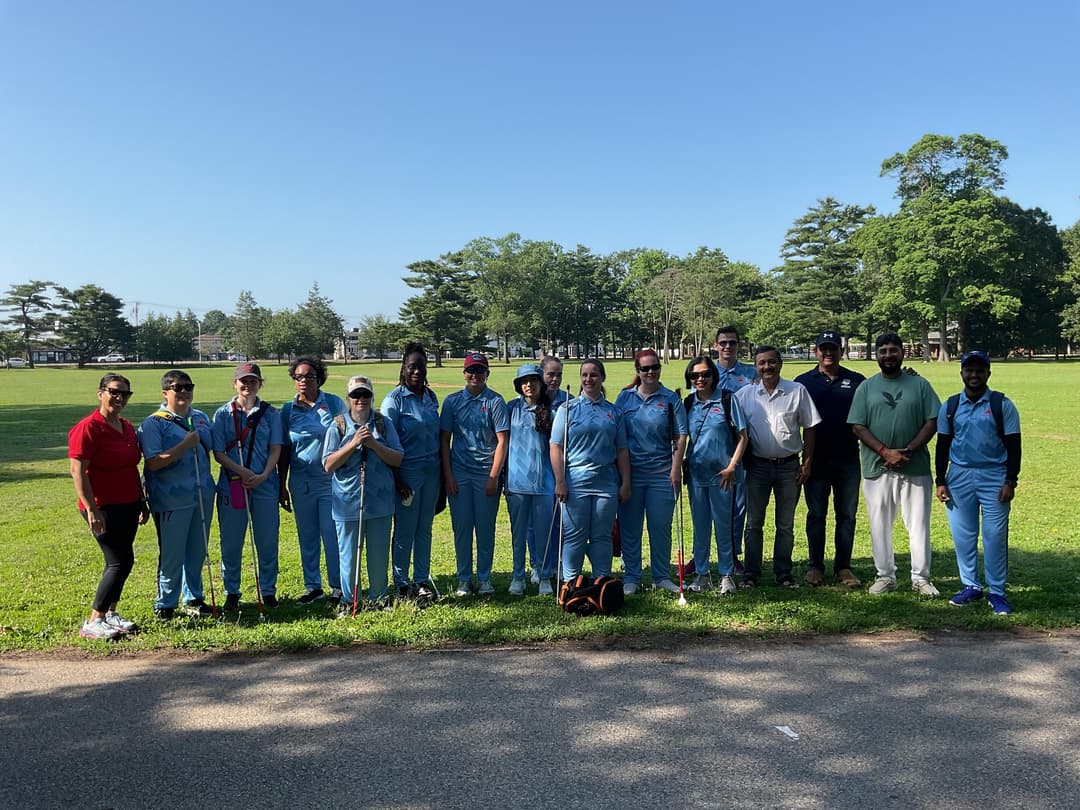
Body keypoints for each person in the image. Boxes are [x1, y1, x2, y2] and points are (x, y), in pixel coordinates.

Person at [848, 333, 942, 596]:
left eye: (893, 350)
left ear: (902, 353)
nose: (888, 355)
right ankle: (885, 576)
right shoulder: (867, 387)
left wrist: (908, 450)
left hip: (915, 467)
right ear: (876, 355)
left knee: (918, 524)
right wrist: (885, 451)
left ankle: (921, 578)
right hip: (877, 468)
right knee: (879, 524)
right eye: (883, 351)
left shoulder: (919, 384)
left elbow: (933, 420)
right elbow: (857, 425)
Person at [935, 350, 1022, 615]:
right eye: (969, 370)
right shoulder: (950, 406)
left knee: (994, 536)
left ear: (988, 373)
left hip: (994, 476)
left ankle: (997, 591)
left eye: (979, 370)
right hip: (959, 476)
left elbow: (1014, 446)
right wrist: (940, 481)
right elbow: (942, 445)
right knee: (964, 536)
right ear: (961, 372)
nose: (974, 375)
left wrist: (1010, 481)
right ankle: (971, 586)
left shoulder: (1001, 404)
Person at [68, 374, 150, 639]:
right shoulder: (89, 427)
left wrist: (141, 500)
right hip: (103, 507)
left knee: (120, 561)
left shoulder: (125, 426)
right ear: (100, 393)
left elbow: (131, 467)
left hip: (128, 503)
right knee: (120, 561)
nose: (119, 398)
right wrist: (92, 508)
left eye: (125, 394)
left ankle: (111, 614)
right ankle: (94, 620)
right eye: (114, 392)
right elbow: (77, 470)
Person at [734, 346, 820, 588]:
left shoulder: (796, 391)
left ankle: (783, 572)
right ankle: (751, 573)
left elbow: (810, 427)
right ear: (756, 367)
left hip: (789, 467)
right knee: (753, 523)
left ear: (780, 364)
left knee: (785, 524)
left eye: (771, 362)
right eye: (762, 363)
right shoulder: (745, 395)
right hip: (757, 467)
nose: (767, 367)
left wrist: (808, 462)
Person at [139, 370, 216, 619]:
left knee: (196, 552)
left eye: (188, 387)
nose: (183, 392)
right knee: (172, 554)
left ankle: (193, 596)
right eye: (177, 387)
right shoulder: (154, 423)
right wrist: (183, 446)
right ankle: (166, 603)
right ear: (165, 392)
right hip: (171, 498)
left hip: (201, 495)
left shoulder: (201, 418)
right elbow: (152, 462)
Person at [323, 374, 403, 613]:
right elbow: (328, 464)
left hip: (379, 501)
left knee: (378, 555)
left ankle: (379, 597)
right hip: (347, 502)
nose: (361, 399)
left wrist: (375, 445)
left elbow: (398, 458)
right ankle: (350, 600)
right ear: (348, 398)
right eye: (356, 395)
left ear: (372, 396)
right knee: (348, 556)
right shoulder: (337, 425)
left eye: (365, 394)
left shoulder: (383, 423)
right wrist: (352, 444)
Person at [794, 330, 866, 588]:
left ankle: (843, 567)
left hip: (848, 458)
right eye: (823, 348)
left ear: (841, 351)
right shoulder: (803, 382)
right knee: (816, 514)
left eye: (833, 347)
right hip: (815, 459)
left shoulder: (856, 381)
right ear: (816, 351)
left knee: (846, 515)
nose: (828, 352)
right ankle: (815, 566)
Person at [550, 359, 631, 584]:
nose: (588, 379)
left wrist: (625, 483)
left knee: (602, 537)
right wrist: (560, 481)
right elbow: (555, 446)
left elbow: (622, 449)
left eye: (593, 375)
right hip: (575, 482)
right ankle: (570, 583)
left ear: (602, 378)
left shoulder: (614, 412)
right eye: (584, 375)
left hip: (606, 482)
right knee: (575, 536)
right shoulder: (567, 409)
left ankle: (600, 582)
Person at [614, 349, 687, 595]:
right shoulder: (624, 399)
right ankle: (632, 576)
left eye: (654, 367)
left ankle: (661, 575)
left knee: (660, 527)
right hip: (632, 474)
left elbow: (680, 435)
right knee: (630, 527)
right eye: (645, 369)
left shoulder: (670, 399)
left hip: (662, 475)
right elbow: (616, 436)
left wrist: (676, 469)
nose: (650, 372)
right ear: (637, 371)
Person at [212, 362, 284, 610]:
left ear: (259, 384)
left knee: (267, 540)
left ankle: (268, 590)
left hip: (264, 484)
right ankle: (232, 591)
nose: (247, 385)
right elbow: (219, 452)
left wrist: (263, 474)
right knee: (232, 541)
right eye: (243, 380)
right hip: (234, 484)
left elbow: (276, 448)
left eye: (252, 380)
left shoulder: (271, 414)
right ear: (235, 383)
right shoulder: (223, 414)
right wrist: (242, 472)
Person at [440, 352, 510, 596]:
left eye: (479, 371)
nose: (475, 375)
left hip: (485, 474)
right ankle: (463, 579)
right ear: (464, 372)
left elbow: (503, 441)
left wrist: (494, 476)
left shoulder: (495, 402)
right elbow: (445, 440)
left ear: (487, 374)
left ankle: (484, 578)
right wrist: (448, 475)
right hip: (459, 473)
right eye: (471, 370)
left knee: (485, 528)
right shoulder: (451, 402)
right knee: (461, 528)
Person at [279, 355, 347, 605]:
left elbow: (346, 437)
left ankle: (338, 586)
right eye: (299, 377)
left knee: (332, 535)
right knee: (307, 536)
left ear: (319, 378)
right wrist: (281, 484)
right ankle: (313, 587)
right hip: (300, 482)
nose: (304, 381)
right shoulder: (287, 410)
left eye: (309, 376)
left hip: (329, 482)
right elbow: (284, 449)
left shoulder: (333, 403)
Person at [682, 355, 749, 595]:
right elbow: (680, 439)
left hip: (724, 476)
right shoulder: (688, 404)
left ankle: (727, 574)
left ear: (713, 376)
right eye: (695, 375)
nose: (700, 379)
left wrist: (732, 466)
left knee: (724, 526)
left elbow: (743, 436)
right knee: (700, 527)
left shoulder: (728, 400)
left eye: (705, 374)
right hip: (696, 476)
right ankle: (701, 573)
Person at [381, 343, 442, 602]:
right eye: (412, 366)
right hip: (407, 473)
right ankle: (402, 582)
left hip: (432, 472)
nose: (417, 371)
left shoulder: (430, 397)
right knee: (405, 529)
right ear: (404, 368)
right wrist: (397, 479)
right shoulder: (393, 400)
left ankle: (421, 579)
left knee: (424, 528)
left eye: (421, 366)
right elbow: (385, 444)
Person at [505, 363, 557, 596]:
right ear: (518, 385)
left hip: (544, 483)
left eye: (534, 380)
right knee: (518, 534)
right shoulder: (510, 409)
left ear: (540, 383)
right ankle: (518, 576)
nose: (529, 385)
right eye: (524, 381)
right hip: (516, 483)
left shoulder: (552, 411)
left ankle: (545, 576)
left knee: (544, 533)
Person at [713, 326, 757, 572]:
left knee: (737, 505)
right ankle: (702, 553)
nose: (727, 346)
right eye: (723, 343)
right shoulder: (706, 372)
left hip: (741, 447)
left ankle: (732, 553)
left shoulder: (750, 374)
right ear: (716, 345)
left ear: (738, 345)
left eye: (732, 342)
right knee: (707, 505)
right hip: (712, 447)